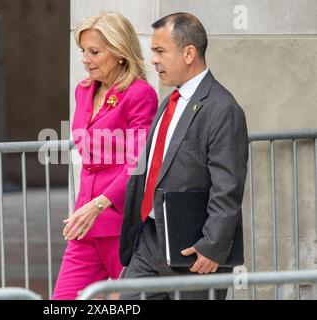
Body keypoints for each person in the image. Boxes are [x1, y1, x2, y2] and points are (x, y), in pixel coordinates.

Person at [119, 12, 249, 300]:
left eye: (160, 51)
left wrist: (212, 246)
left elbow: (227, 187)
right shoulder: (169, 102)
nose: (153, 60)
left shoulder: (222, 108)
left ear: (189, 53)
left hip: (194, 253)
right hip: (150, 241)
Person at [52, 12, 158, 300]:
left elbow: (138, 162)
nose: (85, 59)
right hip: (84, 221)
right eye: (83, 51)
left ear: (120, 53)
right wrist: (88, 207)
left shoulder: (140, 94)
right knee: (62, 301)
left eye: (94, 52)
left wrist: (100, 204)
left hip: (121, 222)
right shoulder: (84, 91)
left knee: (132, 302)